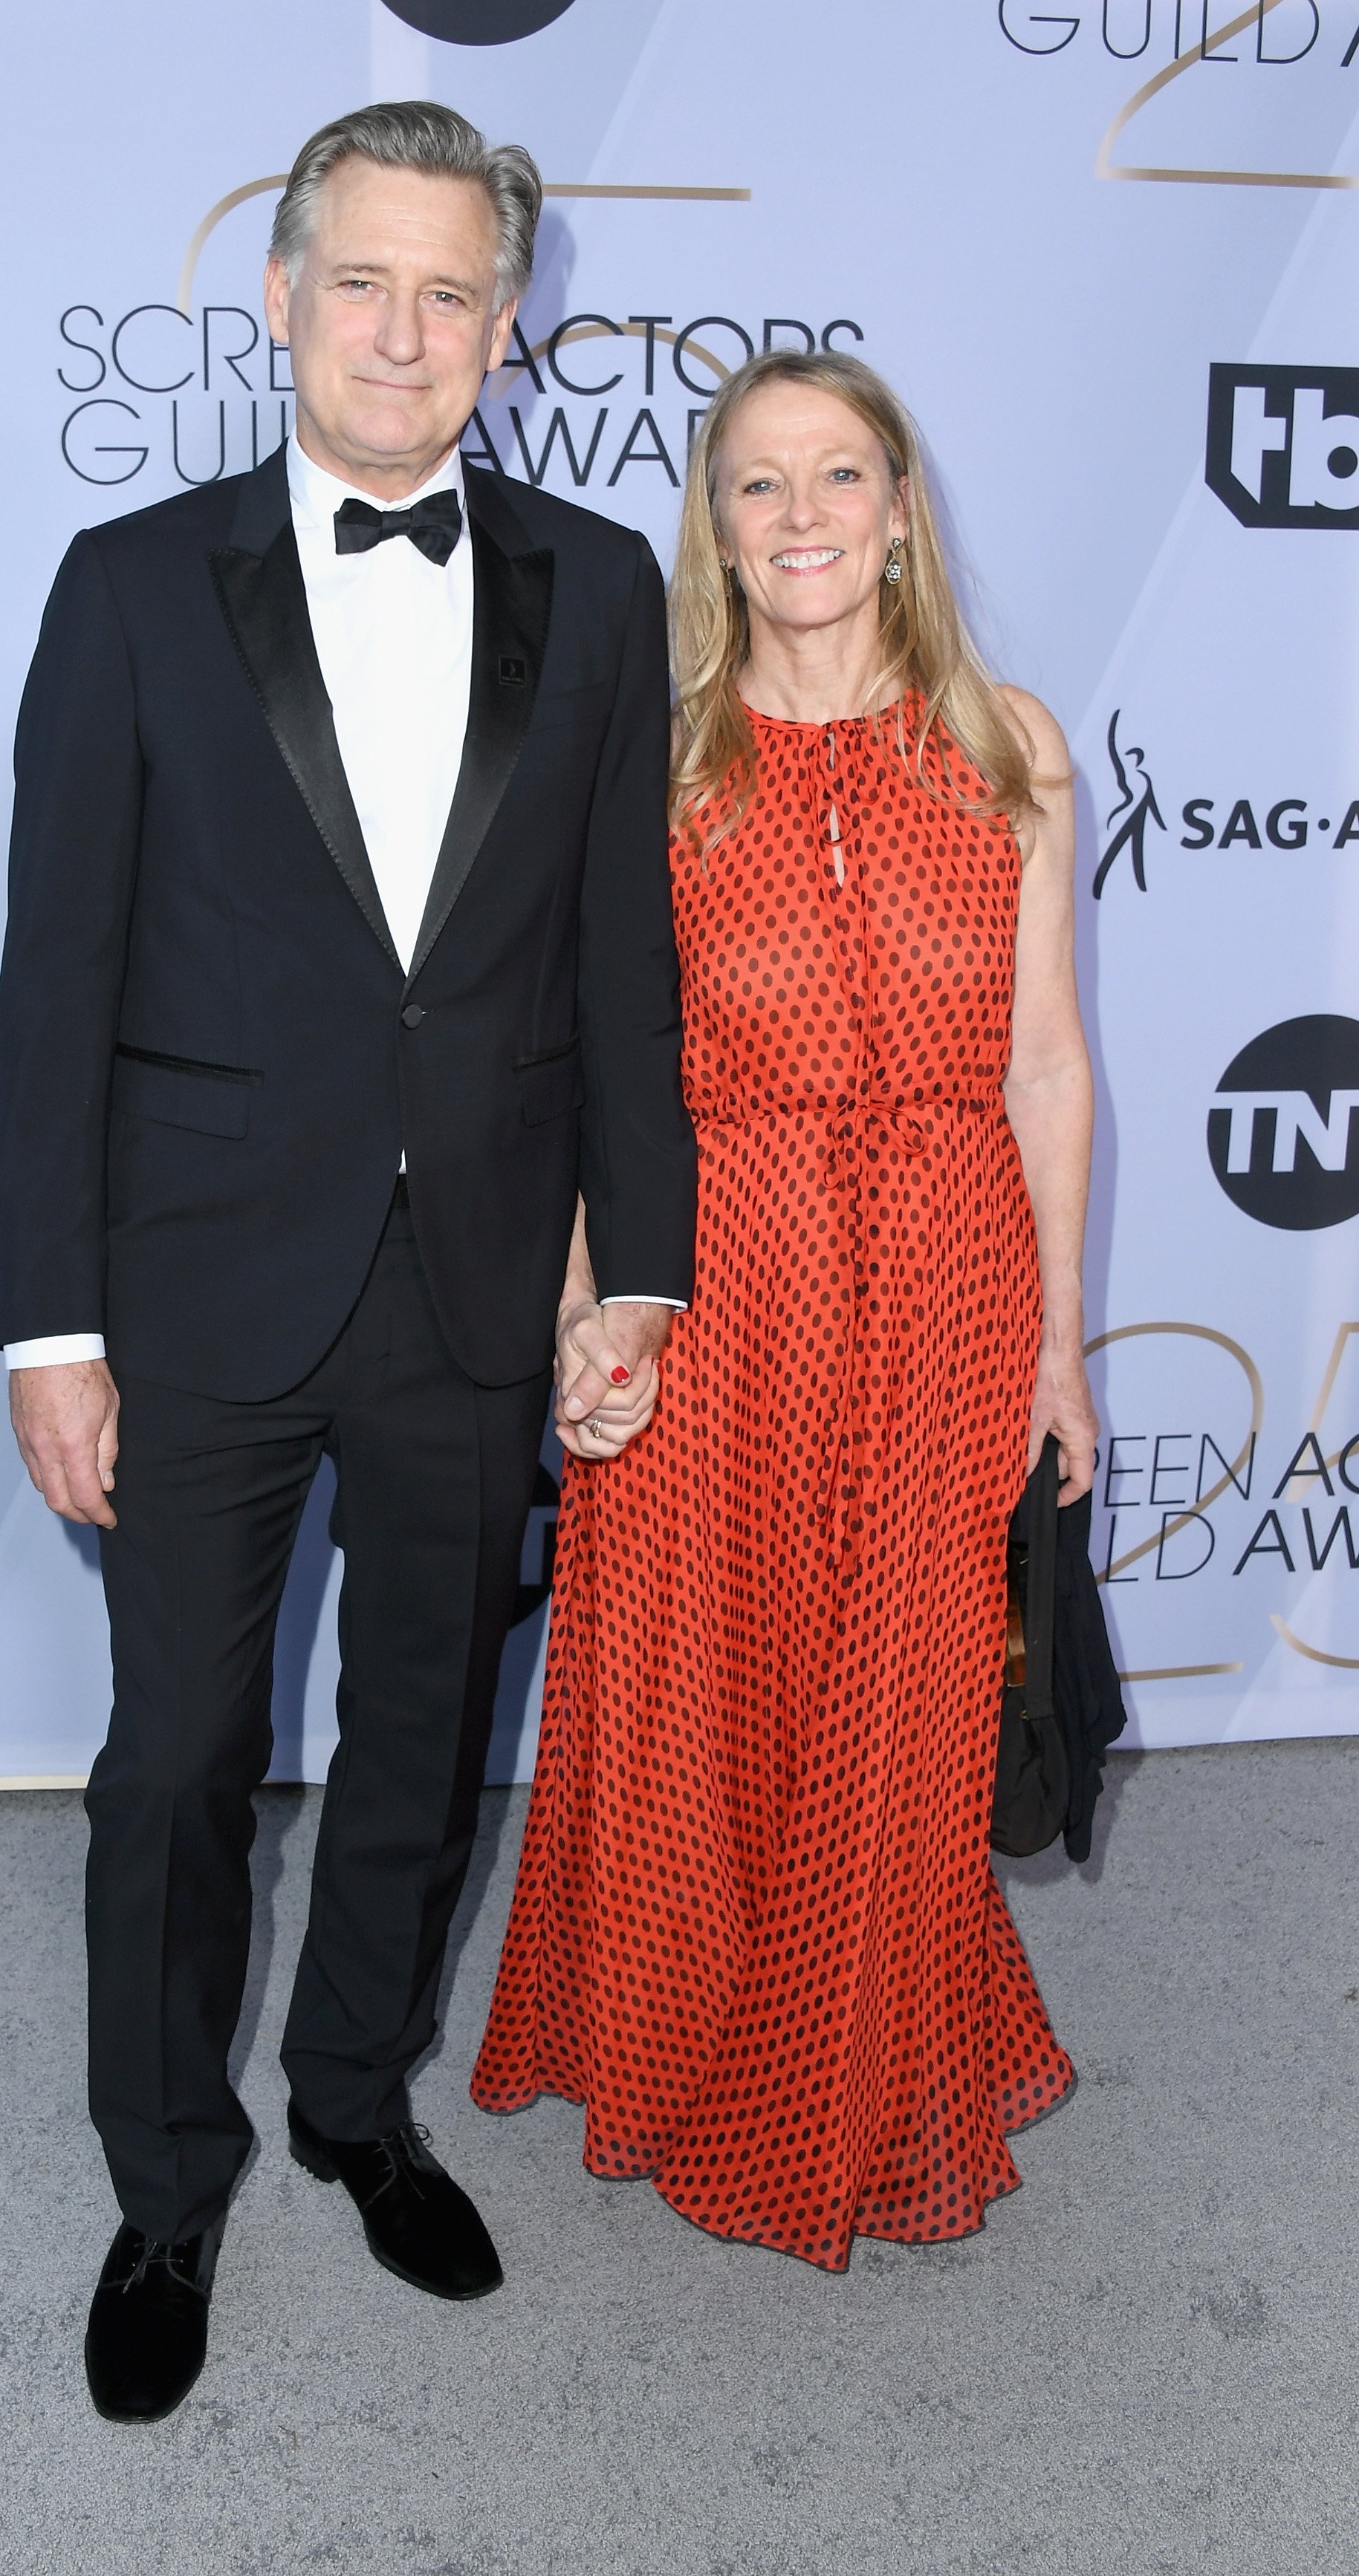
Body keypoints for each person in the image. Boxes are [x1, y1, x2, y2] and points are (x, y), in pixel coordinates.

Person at [0, 101, 695, 2420]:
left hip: (478, 1278)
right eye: (362, 280)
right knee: (177, 1752)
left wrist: (644, 1268)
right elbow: (52, 975)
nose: (405, 330)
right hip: (191, 1281)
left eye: (451, 291)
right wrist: (51, 1319)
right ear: (281, 294)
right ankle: (167, 2177)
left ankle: (355, 2102)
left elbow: (617, 967)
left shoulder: (600, 586)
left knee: (420, 1727)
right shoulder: (125, 582)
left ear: (509, 327)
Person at [473, 350, 1097, 2270]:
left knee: (895, 1691)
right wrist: (591, 1309)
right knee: (701, 1679)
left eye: (841, 476)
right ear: (715, 527)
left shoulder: (1007, 743)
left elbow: (1048, 1067)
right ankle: (685, 2043)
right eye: (760, 485)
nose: (805, 517)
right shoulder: (648, 764)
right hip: (713, 1269)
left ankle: (842, 2089)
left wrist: (1059, 1339)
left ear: (900, 508)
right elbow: (588, 1076)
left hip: (948, 1263)